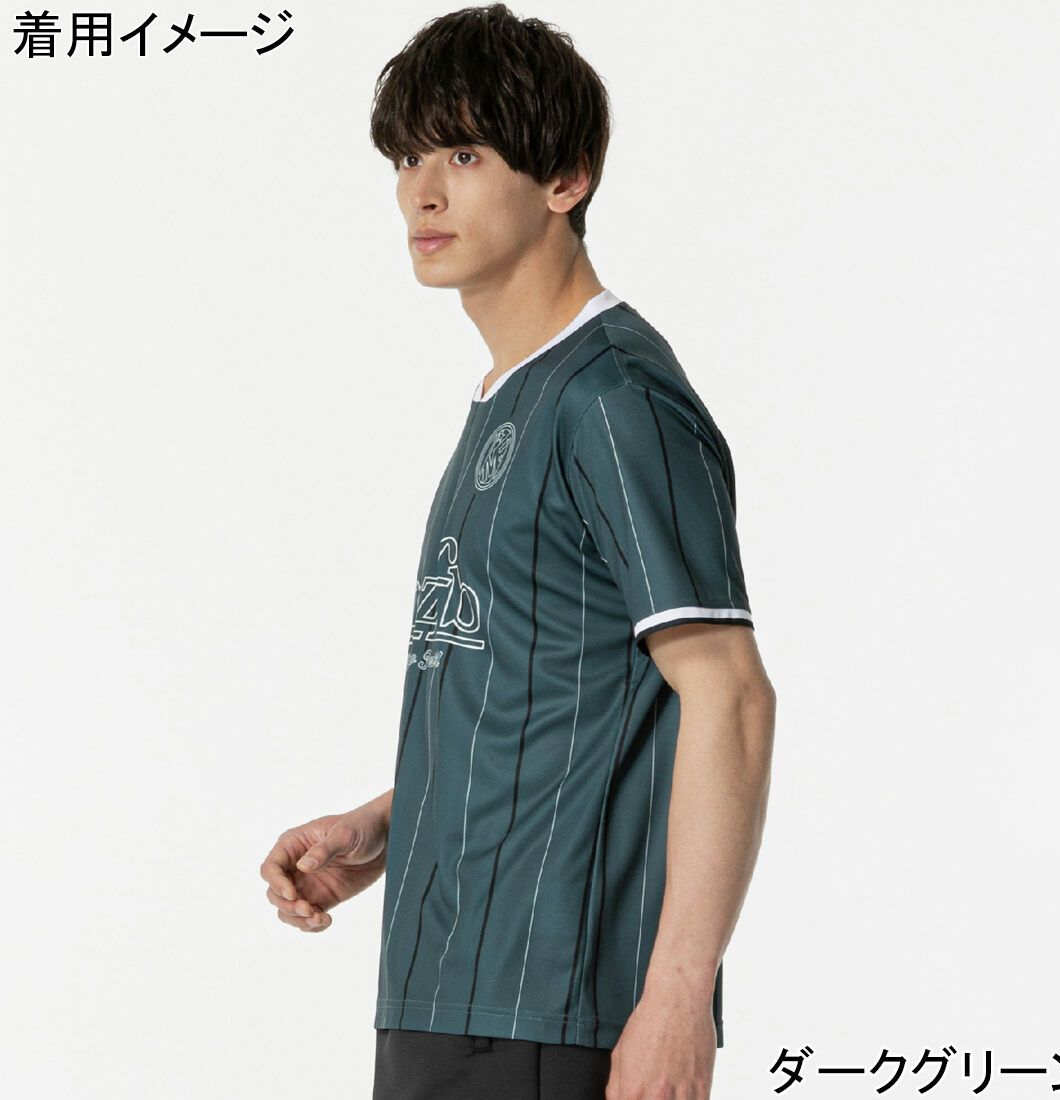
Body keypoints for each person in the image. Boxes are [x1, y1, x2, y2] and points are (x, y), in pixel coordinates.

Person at [259, 5, 776, 1097]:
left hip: (550, 1005)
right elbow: (544, 694)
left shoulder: (614, 398)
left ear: (564, 180)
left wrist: (678, 995)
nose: (421, 192)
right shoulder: (510, 396)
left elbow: (728, 693)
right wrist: (388, 825)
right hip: (443, 989)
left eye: (462, 154)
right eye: (407, 158)